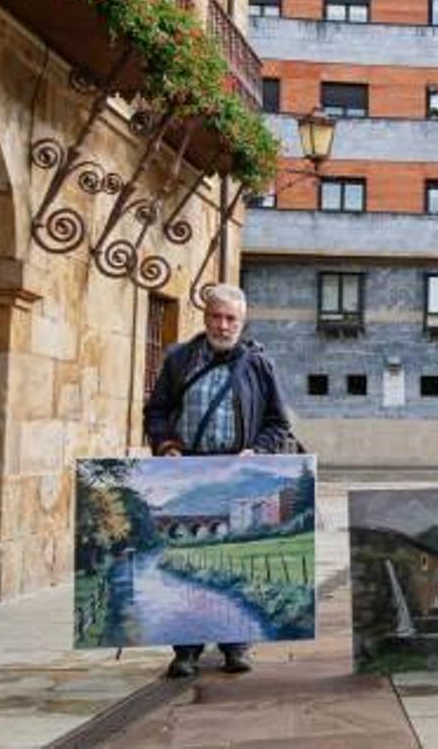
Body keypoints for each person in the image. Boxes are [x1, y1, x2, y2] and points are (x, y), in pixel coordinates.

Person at [144, 283, 293, 678]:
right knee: (187, 561)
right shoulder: (180, 360)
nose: (223, 325)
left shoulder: (259, 364)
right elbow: (156, 413)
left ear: (242, 322)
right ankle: (186, 650)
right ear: (205, 317)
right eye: (217, 316)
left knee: (233, 563)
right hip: (188, 471)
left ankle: (236, 645)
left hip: (237, 475)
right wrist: (166, 446)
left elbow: (278, 424)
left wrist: (257, 453)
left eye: (231, 319)